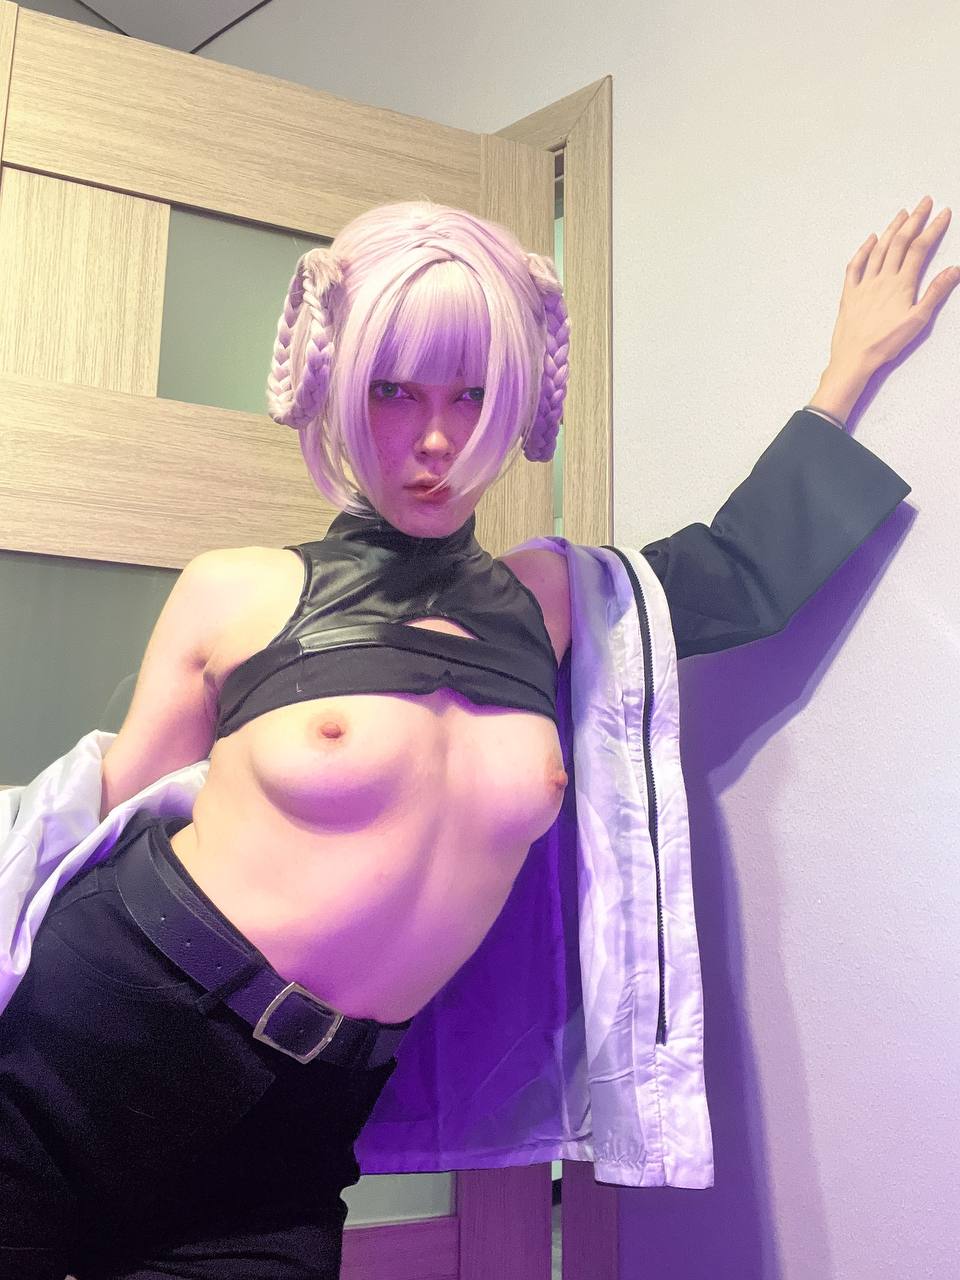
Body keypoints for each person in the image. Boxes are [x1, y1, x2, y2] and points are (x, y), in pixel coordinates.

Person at [0, 195, 954, 1278]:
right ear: (336, 387)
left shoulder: (555, 601)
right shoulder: (238, 588)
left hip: (301, 1126)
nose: (436, 439)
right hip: (96, 1039)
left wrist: (847, 372)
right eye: (393, 391)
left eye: (472, 394)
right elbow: (99, 820)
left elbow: (737, 576)